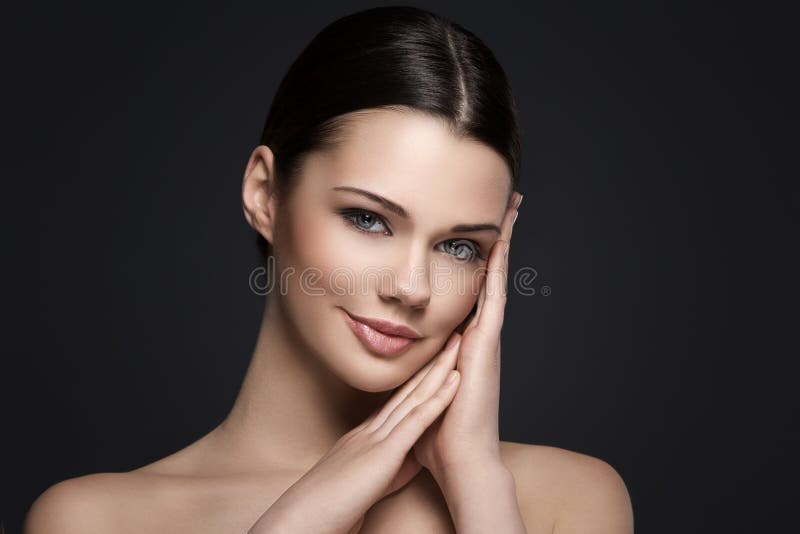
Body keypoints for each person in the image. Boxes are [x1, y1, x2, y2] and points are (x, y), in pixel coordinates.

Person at [24, 6, 633, 533]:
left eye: (460, 247)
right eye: (369, 219)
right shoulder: (94, 519)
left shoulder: (565, 499)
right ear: (265, 194)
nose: (411, 288)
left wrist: (477, 485)